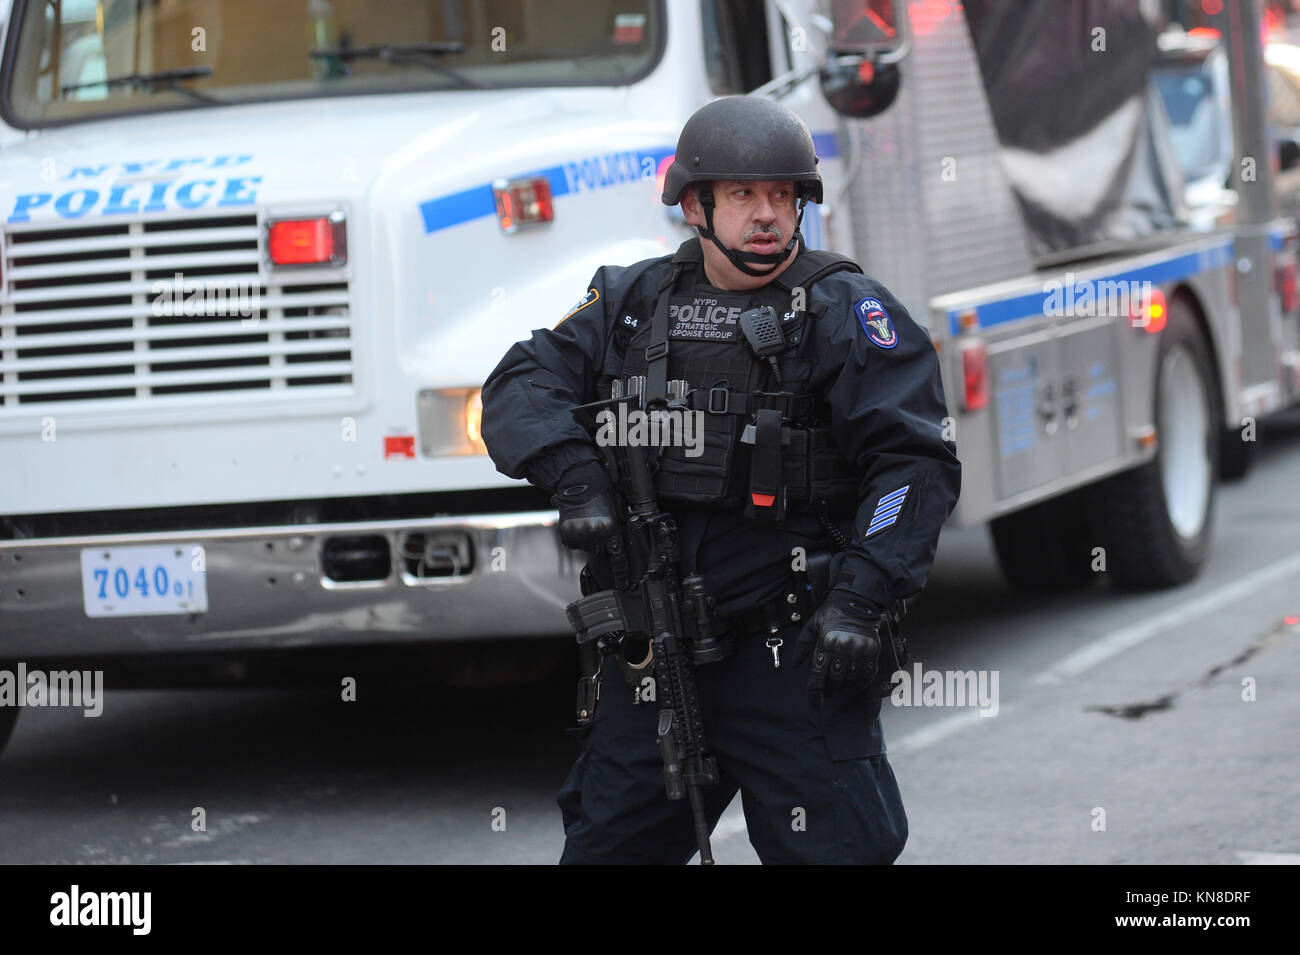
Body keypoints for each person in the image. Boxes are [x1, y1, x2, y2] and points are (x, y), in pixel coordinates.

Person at [480, 96, 961, 864]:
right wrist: (576, 479)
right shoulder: (633, 302)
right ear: (696, 205)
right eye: (743, 195)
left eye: (783, 195)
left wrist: (863, 597)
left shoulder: (845, 309)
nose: (767, 215)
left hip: (793, 654)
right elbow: (519, 383)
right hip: (654, 654)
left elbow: (912, 462)